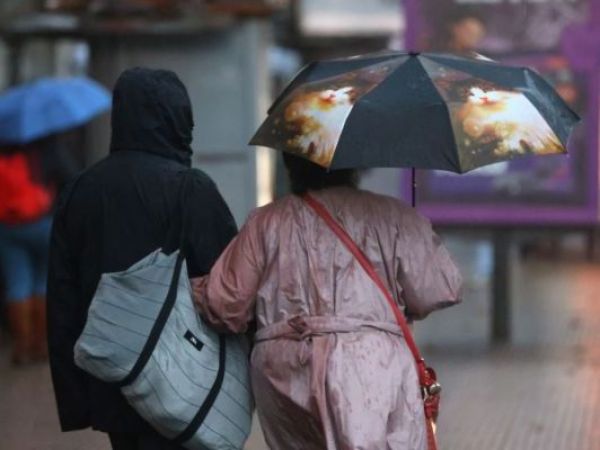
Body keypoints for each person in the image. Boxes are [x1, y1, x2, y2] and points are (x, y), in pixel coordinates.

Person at [192, 153, 463, 450]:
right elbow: (439, 290)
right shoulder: (394, 216)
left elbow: (225, 304)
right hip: (371, 366)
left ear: (291, 164)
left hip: (284, 370)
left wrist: (190, 285)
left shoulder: (265, 222)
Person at [47, 68, 237, 450]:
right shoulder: (191, 189)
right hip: (183, 380)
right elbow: (229, 286)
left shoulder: (80, 190)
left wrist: (75, 396)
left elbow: (62, 299)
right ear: (177, 117)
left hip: (111, 378)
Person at [0, 137, 77, 365]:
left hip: (9, 227)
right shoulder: (43, 145)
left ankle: (22, 346)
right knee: (43, 282)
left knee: (17, 283)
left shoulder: (3, 146)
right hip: (42, 223)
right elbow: (70, 177)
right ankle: (42, 344)